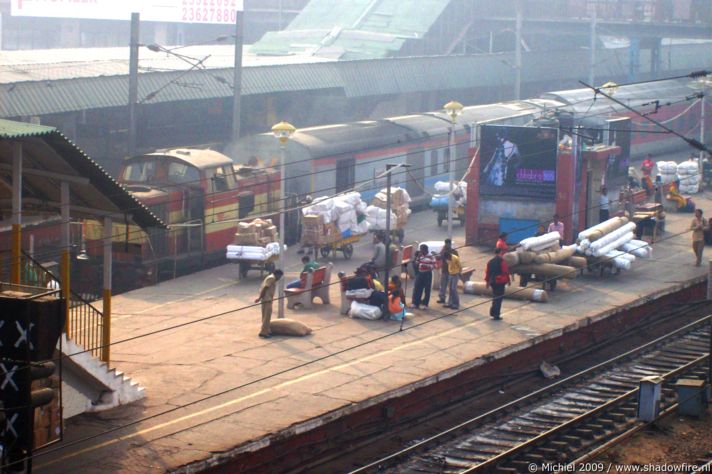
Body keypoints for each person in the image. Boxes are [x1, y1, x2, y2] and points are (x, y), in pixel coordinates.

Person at [254, 269, 283, 338]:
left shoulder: (271, 277)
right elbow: (265, 288)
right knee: (267, 316)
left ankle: (267, 330)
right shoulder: (272, 278)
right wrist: (259, 298)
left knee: (265, 316)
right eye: (280, 276)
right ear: (277, 274)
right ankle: (264, 332)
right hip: (267, 299)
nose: (280, 278)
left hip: (267, 299)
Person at [485, 249, 510, 320]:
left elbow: (487, 273)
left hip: (492, 282)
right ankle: (496, 314)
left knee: (495, 297)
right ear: (500, 253)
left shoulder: (490, 262)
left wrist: (487, 282)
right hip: (500, 282)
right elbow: (505, 272)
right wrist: (508, 281)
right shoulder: (502, 261)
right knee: (499, 299)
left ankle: (493, 312)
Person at [411, 243, 436, 310]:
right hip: (420, 273)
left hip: (427, 274)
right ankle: (415, 303)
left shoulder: (431, 256)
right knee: (417, 288)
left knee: (427, 289)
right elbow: (416, 263)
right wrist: (417, 257)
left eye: (422, 250)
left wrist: (426, 266)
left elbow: (434, 266)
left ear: (425, 250)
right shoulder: (420, 256)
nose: (421, 252)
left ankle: (425, 304)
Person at [437, 238, 458, 304]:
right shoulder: (443, 250)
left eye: (448, 244)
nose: (447, 245)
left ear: (450, 244)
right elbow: (440, 257)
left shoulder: (454, 252)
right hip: (444, 270)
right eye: (446, 244)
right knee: (442, 285)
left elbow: (456, 262)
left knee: (451, 287)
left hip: (451, 272)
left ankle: (450, 301)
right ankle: (442, 298)